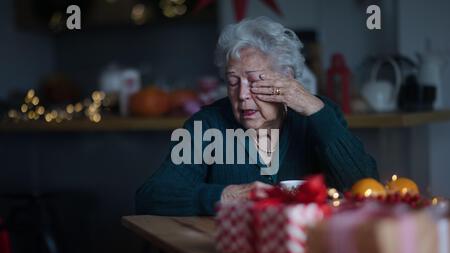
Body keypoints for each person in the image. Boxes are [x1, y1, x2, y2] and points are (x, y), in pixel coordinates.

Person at [135, 16, 378, 216]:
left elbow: (366, 187)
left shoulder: (320, 115)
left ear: (287, 79)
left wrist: (316, 111)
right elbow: (150, 197)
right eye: (232, 82)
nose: (242, 94)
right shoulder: (208, 125)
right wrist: (224, 196)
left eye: (254, 81)